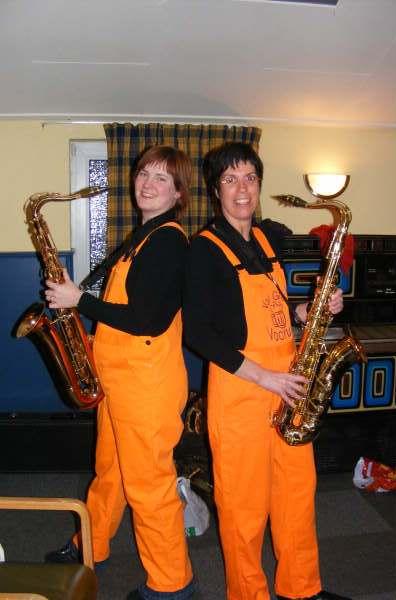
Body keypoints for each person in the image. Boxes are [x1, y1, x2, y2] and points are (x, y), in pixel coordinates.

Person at [183, 141, 350, 600]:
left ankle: (302, 588)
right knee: (244, 508)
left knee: (297, 494)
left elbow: (267, 306)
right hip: (242, 389)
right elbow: (198, 332)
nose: (242, 189)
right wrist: (264, 377)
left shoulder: (264, 238)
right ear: (216, 189)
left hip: (288, 384)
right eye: (230, 179)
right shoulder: (203, 249)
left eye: (250, 178)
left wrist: (306, 311)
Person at [44, 145, 197, 600]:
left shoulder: (167, 241)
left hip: (146, 388)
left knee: (148, 485)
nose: (147, 183)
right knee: (109, 472)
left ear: (179, 193)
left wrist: (80, 301)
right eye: (144, 173)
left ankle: (171, 585)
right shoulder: (144, 237)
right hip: (122, 380)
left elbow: (147, 320)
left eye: (162, 178)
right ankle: (92, 544)